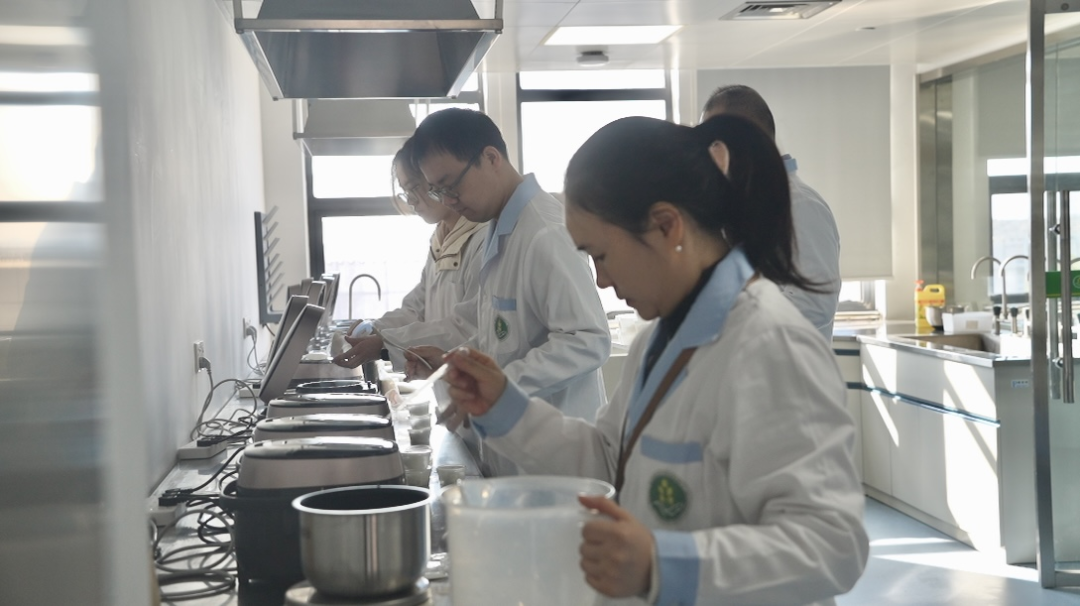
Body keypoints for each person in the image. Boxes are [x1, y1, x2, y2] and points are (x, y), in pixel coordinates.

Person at [442, 115, 868, 605]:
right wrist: (504, 408)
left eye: (601, 255)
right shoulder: (660, 339)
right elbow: (611, 460)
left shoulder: (769, 344)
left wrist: (664, 564)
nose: (600, 280)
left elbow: (831, 544)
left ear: (667, 226)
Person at [406, 108, 611, 476]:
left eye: (451, 185)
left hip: (556, 457)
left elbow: (587, 339)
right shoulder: (497, 228)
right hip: (514, 453)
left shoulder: (544, 232)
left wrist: (502, 386)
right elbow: (500, 332)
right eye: (437, 190)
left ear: (491, 158)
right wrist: (454, 364)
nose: (448, 200)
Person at [702, 84, 841, 341]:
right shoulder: (741, 208)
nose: (709, 153)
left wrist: (729, 322)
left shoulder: (801, 206)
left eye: (715, 141)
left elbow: (815, 305)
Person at [332, 139, 486, 371]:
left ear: (436, 179)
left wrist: (386, 343)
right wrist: (374, 329)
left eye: (414, 187)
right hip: (447, 380)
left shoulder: (481, 238)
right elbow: (416, 309)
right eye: (406, 192)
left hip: (472, 378)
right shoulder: (440, 239)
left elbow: (464, 328)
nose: (411, 200)